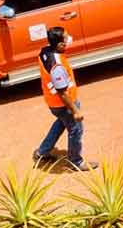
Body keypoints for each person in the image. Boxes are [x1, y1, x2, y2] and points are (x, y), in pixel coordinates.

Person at [33, 27, 97, 171]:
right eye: (66, 38)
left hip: (52, 102)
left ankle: (42, 151)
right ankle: (76, 161)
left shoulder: (45, 52)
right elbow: (62, 92)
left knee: (61, 124)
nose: (69, 39)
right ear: (60, 44)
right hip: (63, 104)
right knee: (75, 130)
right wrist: (75, 110)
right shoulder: (57, 66)